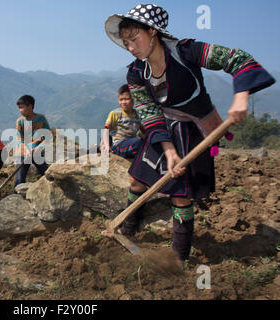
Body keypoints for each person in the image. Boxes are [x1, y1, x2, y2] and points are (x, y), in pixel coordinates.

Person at [103, 4, 275, 261]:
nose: (130, 47)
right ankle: (128, 227)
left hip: (194, 129)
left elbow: (237, 59)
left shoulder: (187, 51)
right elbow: (149, 113)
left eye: (134, 38)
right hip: (161, 130)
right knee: (136, 180)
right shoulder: (136, 72)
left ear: (152, 32)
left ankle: (178, 257)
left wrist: (241, 98)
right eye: (126, 42)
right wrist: (169, 151)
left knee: (181, 196)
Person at [14, 95, 50, 191]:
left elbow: (48, 137)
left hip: (37, 153)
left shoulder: (41, 119)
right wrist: (26, 149)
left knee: (47, 175)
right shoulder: (20, 121)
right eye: (19, 108)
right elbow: (20, 139)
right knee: (19, 179)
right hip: (23, 154)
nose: (20, 110)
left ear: (30, 106)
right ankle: (15, 200)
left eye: (22, 107)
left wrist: (39, 148)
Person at [101, 84, 143, 159]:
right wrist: (107, 147)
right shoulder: (115, 114)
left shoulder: (137, 115)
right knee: (138, 143)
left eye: (126, 99)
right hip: (119, 145)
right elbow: (106, 131)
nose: (123, 102)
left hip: (131, 143)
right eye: (121, 99)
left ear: (134, 100)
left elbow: (144, 132)